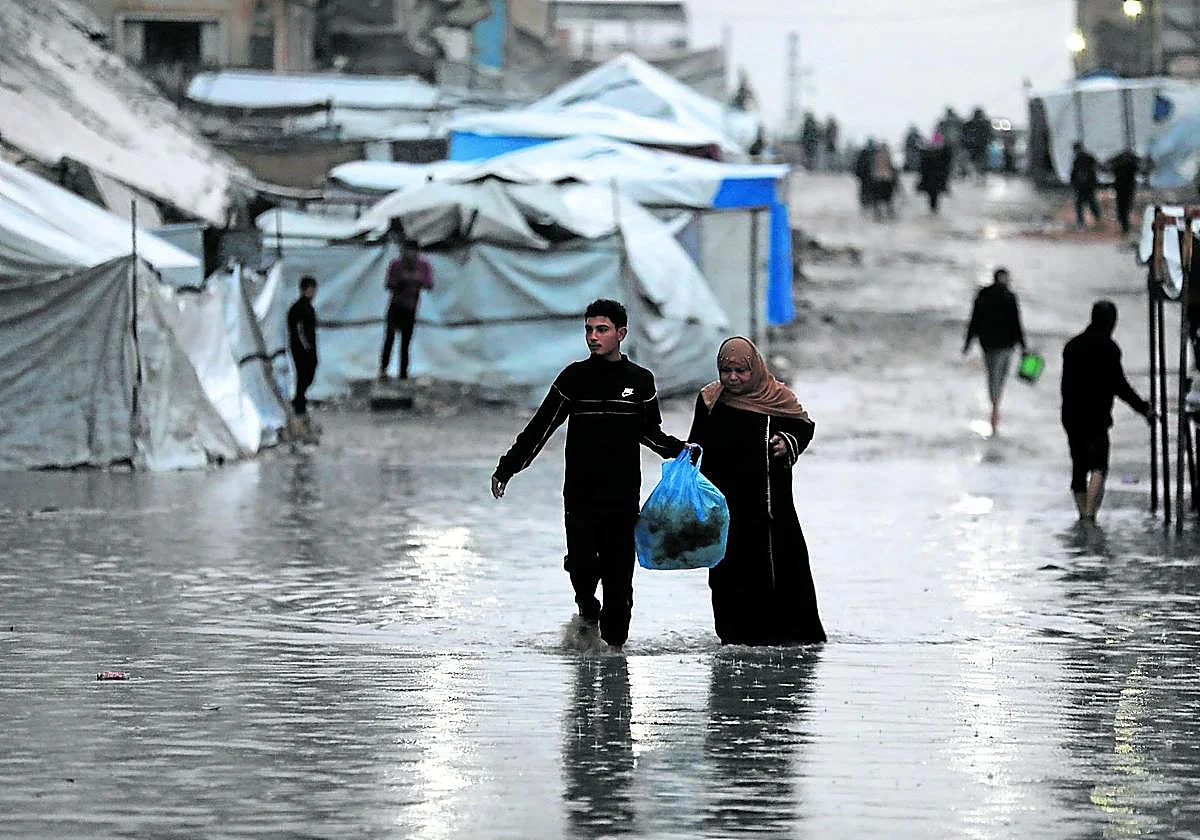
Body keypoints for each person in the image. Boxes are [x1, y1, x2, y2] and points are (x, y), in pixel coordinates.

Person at [490, 299, 690, 653]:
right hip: (580, 494)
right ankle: (587, 609)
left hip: (623, 494)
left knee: (618, 578)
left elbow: (649, 432)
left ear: (621, 334)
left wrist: (682, 452)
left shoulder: (640, 382)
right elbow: (541, 428)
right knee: (581, 564)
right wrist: (508, 467)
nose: (593, 337)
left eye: (602, 330)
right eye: (588, 330)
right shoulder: (574, 378)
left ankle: (615, 662)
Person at [686, 337, 825, 646]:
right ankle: (735, 640)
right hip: (723, 509)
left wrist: (788, 442)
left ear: (755, 369)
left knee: (779, 573)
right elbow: (697, 444)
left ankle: (785, 640)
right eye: (726, 371)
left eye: (741, 371)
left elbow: (804, 426)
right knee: (726, 577)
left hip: (770, 511)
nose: (733, 378)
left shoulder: (777, 398)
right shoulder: (710, 400)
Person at [1061, 300, 1151, 521]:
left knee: (1079, 465)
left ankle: (1082, 514)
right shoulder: (1109, 349)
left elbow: (1065, 385)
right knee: (1099, 465)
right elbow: (1119, 385)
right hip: (1097, 415)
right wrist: (1143, 409)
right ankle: (1091, 514)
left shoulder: (1072, 346)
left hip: (1072, 414)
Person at [963, 268, 1027, 434]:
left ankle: (995, 403)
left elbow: (974, 320)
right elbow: (1016, 323)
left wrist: (968, 343)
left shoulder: (983, 296)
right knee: (1001, 373)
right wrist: (1023, 346)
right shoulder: (1009, 297)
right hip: (1006, 344)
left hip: (989, 343)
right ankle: (995, 404)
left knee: (993, 373)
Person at [379, 237, 434, 381]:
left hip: (411, 307)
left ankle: (403, 373)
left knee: (406, 342)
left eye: (412, 252)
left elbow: (429, 284)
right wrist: (402, 281)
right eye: (406, 251)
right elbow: (388, 284)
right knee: (389, 339)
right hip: (396, 305)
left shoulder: (423, 266)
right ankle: (383, 370)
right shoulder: (396, 264)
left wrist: (416, 280)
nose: (409, 255)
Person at [287, 274, 318, 430]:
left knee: (309, 373)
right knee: (302, 375)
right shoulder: (298, 308)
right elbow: (299, 331)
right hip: (301, 349)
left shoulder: (308, 307)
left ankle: (300, 400)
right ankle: (299, 403)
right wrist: (305, 346)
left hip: (309, 347)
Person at [1106, 148, 1141, 236]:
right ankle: (1125, 227)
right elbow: (1140, 170)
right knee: (1125, 208)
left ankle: (1125, 227)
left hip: (1121, 188)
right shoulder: (1131, 163)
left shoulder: (1118, 163)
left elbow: (1108, 169)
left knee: (1122, 209)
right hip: (1128, 188)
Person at [917, 133, 953, 214]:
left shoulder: (929, 152)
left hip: (932, 179)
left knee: (933, 196)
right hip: (936, 178)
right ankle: (934, 210)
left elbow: (922, 166)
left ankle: (933, 210)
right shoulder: (941, 152)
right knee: (934, 196)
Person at [1070, 142, 1102, 229]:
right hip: (1088, 184)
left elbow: (1075, 172)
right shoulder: (1088, 156)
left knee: (1081, 204)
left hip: (1083, 185)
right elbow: (1097, 166)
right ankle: (1097, 219)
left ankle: (1082, 222)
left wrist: (1073, 183)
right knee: (1090, 202)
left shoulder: (1079, 158)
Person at [869, 142, 898, 220]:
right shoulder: (887, 155)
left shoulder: (875, 156)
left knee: (878, 198)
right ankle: (888, 213)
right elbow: (891, 167)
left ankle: (879, 214)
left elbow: (872, 168)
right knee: (887, 198)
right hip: (886, 179)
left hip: (878, 178)